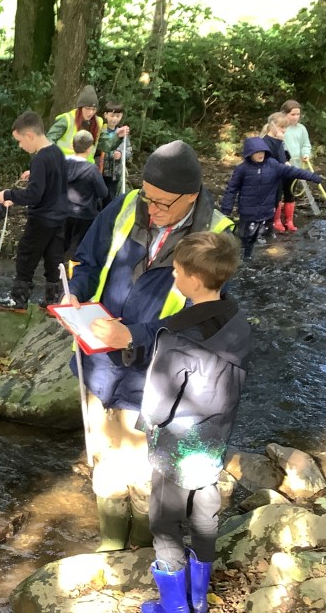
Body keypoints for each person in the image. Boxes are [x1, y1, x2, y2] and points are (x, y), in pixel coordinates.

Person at [60, 140, 234, 553]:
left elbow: (204, 323)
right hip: (99, 362)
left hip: (155, 381)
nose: (150, 210)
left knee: (143, 476)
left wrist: (133, 336)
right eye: (147, 197)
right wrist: (75, 293)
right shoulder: (126, 206)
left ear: (190, 197)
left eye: (162, 203)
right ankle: (110, 545)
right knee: (104, 463)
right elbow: (89, 260)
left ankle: (139, 550)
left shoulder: (217, 238)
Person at [138, 231, 251, 613]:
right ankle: (199, 600)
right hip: (213, 440)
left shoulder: (178, 337)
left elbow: (157, 405)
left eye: (176, 270)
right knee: (205, 515)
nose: (173, 275)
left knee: (165, 523)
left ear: (195, 280)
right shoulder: (237, 320)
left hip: (175, 447)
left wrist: (147, 425)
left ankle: (175, 607)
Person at [0, 111, 69, 311]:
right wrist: (34, 175)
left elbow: (34, 195)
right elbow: (53, 181)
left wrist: (9, 194)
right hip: (59, 216)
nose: (20, 146)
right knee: (54, 258)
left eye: (20, 141)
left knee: (26, 255)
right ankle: (54, 299)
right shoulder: (57, 152)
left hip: (42, 218)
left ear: (29, 135)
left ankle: (18, 299)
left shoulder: (40, 159)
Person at [220, 137, 323, 259]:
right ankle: (245, 259)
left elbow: (293, 171)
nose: (260, 155)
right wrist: (226, 209)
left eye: (262, 151)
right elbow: (231, 189)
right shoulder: (242, 169)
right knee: (247, 240)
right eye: (257, 152)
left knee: (266, 238)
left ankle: (264, 260)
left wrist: (312, 177)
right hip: (248, 213)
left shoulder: (273, 165)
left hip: (267, 212)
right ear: (250, 153)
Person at [47, 84, 128, 162]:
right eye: (87, 108)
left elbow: (105, 145)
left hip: (87, 166)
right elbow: (49, 140)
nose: (91, 112)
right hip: (65, 164)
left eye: (93, 109)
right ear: (80, 108)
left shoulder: (98, 122)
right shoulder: (67, 119)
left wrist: (118, 136)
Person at [64, 130, 109, 261]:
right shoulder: (92, 169)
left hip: (62, 211)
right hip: (85, 214)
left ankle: (57, 271)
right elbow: (103, 192)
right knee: (78, 249)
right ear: (89, 149)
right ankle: (74, 271)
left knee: (61, 245)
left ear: (72, 146)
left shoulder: (61, 164)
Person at [280, 99, 312, 232]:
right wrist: (283, 159)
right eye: (292, 114)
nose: (295, 117)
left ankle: (289, 220)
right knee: (277, 193)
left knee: (290, 192)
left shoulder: (301, 129)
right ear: (284, 114)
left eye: (298, 114)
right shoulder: (280, 127)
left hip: (295, 167)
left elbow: (306, 144)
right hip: (280, 167)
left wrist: (305, 154)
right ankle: (276, 220)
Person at [261, 112, 291, 233]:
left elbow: (282, 156)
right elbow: (268, 157)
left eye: (285, 127)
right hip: (268, 177)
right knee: (268, 200)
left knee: (277, 198)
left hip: (278, 176)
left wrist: (286, 162)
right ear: (272, 125)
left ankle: (273, 222)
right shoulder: (265, 141)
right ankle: (265, 224)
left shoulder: (279, 141)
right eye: (281, 127)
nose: (284, 130)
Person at [100, 101, 132, 201]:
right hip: (100, 171)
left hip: (114, 174)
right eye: (112, 115)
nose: (114, 119)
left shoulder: (123, 133)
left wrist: (121, 154)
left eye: (117, 116)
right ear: (105, 115)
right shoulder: (101, 131)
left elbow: (129, 151)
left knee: (111, 198)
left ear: (121, 116)